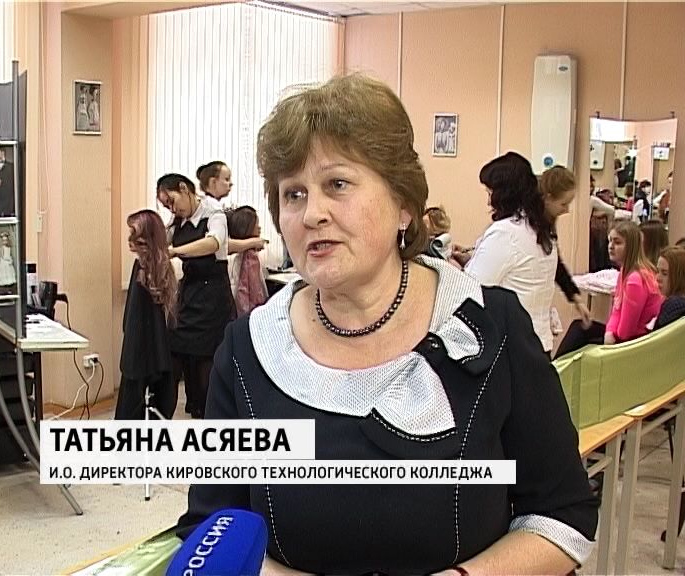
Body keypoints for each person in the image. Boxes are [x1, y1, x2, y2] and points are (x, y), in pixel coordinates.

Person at [177, 74, 597, 575]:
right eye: (293, 194)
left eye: (337, 184)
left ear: (403, 205)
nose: (312, 214)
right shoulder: (248, 350)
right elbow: (212, 527)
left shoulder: (492, 327)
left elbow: (561, 515)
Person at [157, 171, 235, 419]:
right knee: (176, 353)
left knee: (205, 363)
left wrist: (176, 251)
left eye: (172, 201)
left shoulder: (213, 212)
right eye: (166, 206)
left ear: (184, 188)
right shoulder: (177, 222)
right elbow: (161, 242)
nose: (172, 209)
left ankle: (208, 417)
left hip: (213, 296)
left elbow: (214, 243)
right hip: (189, 293)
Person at [465, 152, 559, 355]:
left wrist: (450, 268)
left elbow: (469, 289)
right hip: (539, 343)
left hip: (513, 348)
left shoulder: (506, 233)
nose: (488, 201)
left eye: (490, 193)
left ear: (503, 193)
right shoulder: (541, 229)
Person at [555, 220, 663, 358]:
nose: (611, 246)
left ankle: (554, 367)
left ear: (631, 247)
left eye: (617, 242)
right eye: (610, 241)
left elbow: (626, 331)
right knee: (579, 327)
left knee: (579, 333)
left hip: (633, 342)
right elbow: (616, 311)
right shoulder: (625, 272)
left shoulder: (635, 280)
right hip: (622, 335)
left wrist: (611, 336)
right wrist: (609, 331)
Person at [115, 210, 178, 420]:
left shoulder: (145, 268)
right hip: (156, 350)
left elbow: (134, 319)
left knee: (129, 405)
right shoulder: (159, 268)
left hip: (139, 349)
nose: (129, 239)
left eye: (134, 233)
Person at [540, 165, 591, 329]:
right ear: (548, 198)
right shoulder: (528, 227)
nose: (566, 210)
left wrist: (575, 297)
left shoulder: (547, 223)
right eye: (563, 204)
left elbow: (555, 262)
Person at [227, 205, 268, 317]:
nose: (259, 228)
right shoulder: (250, 257)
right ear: (247, 227)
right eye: (256, 224)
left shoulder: (236, 255)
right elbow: (256, 292)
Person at [654, 246, 685, 330]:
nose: (657, 278)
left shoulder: (674, 305)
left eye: (664, 273)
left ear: (679, 276)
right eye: (657, 271)